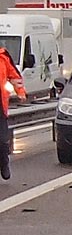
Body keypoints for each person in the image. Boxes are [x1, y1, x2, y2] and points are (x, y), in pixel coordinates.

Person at [0, 47, 27, 180]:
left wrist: (20, 92)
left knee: (2, 141)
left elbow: (15, 77)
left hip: (0, 107)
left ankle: (4, 163)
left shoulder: (3, 56)